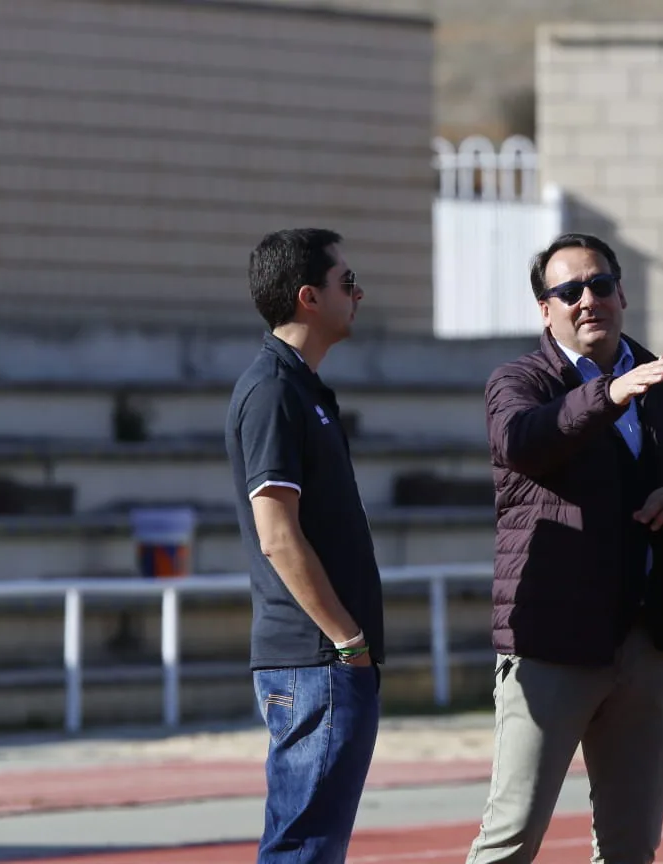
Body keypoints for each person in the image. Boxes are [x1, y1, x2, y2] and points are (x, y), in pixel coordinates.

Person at [466, 232, 663, 864]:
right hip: (552, 642)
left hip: (649, 643)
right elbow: (525, 442)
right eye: (568, 291)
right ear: (545, 309)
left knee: (631, 846)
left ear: (622, 292)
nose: (587, 300)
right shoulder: (518, 382)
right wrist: (609, 394)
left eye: (600, 284)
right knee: (511, 838)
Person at [224, 228, 384, 864]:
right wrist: (347, 641)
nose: (360, 291)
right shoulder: (273, 390)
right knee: (303, 848)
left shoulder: (302, 387)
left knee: (311, 844)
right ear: (308, 297)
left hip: (324, 662)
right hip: (315, 661)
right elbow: (278, 536)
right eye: (348, 281)